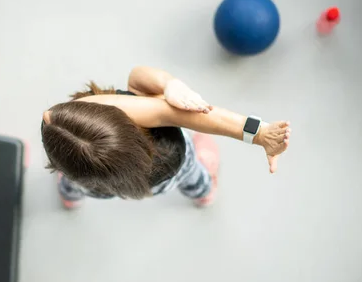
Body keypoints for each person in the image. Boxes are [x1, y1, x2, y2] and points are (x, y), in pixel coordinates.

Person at [41, 66, 291, 209]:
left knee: (71, 182)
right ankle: (204, 193)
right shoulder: (170, 152)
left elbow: (136, 79)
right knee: (194, 172)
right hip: (169, 176)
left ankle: (69, 197)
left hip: (89, 181)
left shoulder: (57, 130)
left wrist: (168, 85)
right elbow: (187, 114)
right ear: (132, 127)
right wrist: (258, 133)